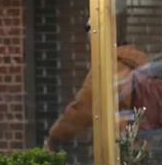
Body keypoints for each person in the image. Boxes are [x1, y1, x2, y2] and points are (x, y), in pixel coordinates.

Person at [45, 22, 154, 150]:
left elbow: (83, 107)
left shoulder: (108, 65)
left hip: (118, 145)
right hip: (142, 141)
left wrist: (55, 136)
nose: (88, 34)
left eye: (89, 28)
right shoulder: (138, 61)